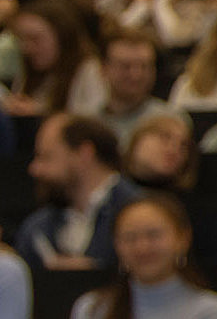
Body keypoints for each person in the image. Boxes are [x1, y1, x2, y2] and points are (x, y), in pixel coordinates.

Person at [69, 192, 217, 319]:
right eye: (130, 238)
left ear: (183, 238)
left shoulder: (212, 312)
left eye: (153, 235)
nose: (142, 248)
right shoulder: (91, 310)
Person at [14, 114, 130, 280]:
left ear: (84, 153)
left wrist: (99, 273)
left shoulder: (140, 212)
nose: (34, 168)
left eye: (46, 157)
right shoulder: (36, 227)